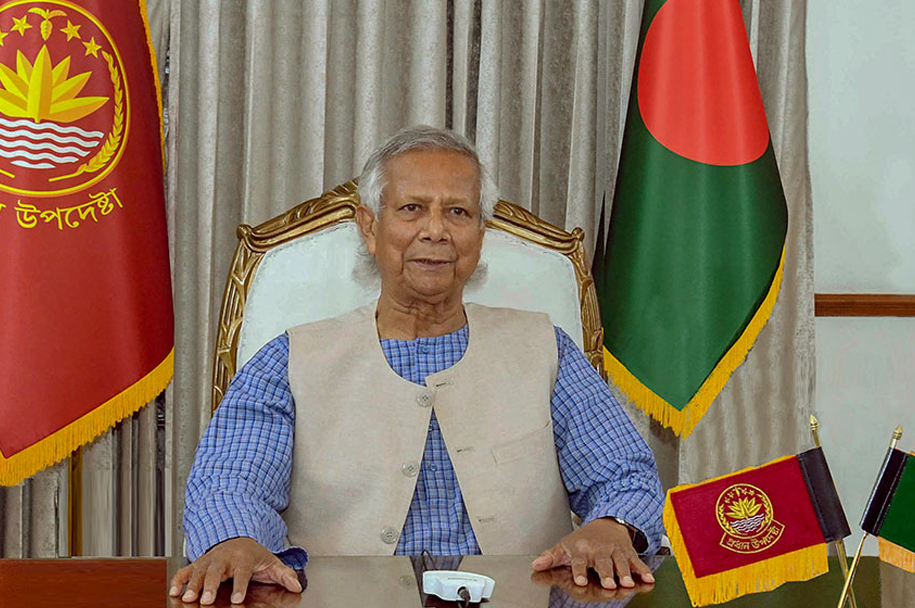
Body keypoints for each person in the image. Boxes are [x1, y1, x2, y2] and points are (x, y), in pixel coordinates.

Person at [170, 126, 664, 606]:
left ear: (481, 233)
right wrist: (235, 539)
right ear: (370, 226)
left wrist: (612, 525)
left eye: (458, 212)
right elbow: (230, 481)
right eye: (412, 209)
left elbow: (624, 474)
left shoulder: (545, 349)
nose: (435, 231)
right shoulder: (290, 359)